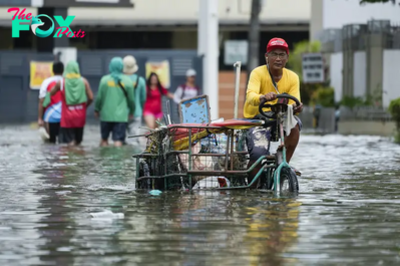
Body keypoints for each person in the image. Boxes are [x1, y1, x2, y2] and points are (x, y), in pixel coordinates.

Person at [244, 37, 304, 180]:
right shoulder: (257, 73)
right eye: (274, 54)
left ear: (287, 58)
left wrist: (297, 107)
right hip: (257, 120)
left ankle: (283, 165)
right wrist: (263, 97)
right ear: (267, 57)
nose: (278, 58)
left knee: (295, 125)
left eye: (282, 55)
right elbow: (250, 97)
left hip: (280, 119)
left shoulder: (293, 77)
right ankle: (253, 187)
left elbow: (295, 101)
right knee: (258, 154)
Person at [50, 60, 94, 146]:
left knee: (68, 143)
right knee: (78, 142)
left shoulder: (62, 82)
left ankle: (70, 158)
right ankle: (78, 158)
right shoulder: (84, 81)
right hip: (80, 116)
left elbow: (51, 92)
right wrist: (85, 106)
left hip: (67, 117)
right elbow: (91, 97)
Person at [95, 57, 135, 147]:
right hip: (121, 117)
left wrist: (97, 109)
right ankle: (118, 159)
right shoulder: (128, 81)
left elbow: (99, 98)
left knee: (104, 139)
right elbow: (131, 100)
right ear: (121, 67)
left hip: (106, 116)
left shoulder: (104, 80)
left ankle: (104, 158)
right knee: (118, 140)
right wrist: (132, 111)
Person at [38, 61, 64, 143]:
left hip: (50, 117)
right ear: (63, 70)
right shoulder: (66, 81)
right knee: (63, 144)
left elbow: (42, 101)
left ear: (52, 71)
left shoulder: (46, 82)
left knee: (50, 143)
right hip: (64, 117)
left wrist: (40, 118)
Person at [122, 55, 146, 140]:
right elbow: (143, 98)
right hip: (136, 113)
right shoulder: (140, 80)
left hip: (121, 114)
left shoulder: (120, 80)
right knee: (134, 139)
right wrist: (140, 108)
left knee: (121, 140)